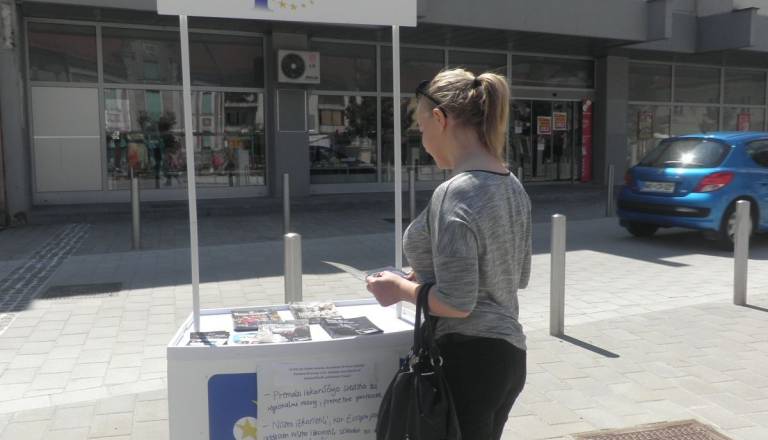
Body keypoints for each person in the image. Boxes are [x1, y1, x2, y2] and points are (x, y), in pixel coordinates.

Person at [366, 68, 531, 440]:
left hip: (466, 358)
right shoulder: (512, 184)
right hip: (506, 357)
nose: (423, 142)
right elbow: (515, 275)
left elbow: (458, 303)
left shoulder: (457, 192)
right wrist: (425, 275)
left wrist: (398, 289)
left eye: (422, 129)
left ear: (440, 119)